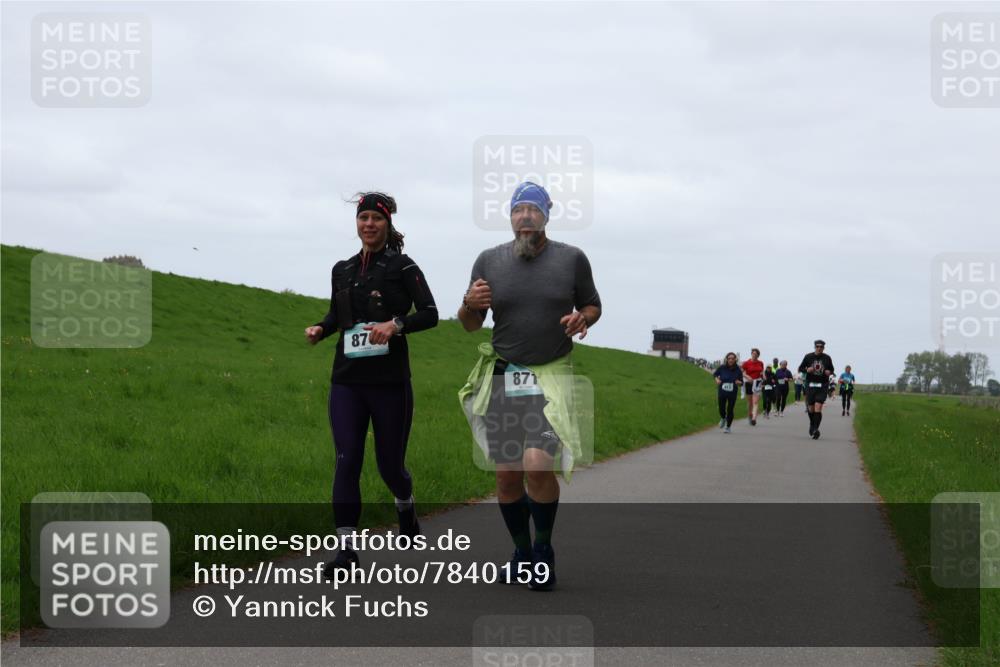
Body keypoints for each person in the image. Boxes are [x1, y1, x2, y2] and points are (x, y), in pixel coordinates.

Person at [458, 182, 601, 592]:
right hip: (504, 378)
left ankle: (543, 552)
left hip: (549, 379)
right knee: (506, 478)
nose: (525, 217)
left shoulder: (572, 259)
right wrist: (470, 303)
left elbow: (593, 303)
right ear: (510, 216)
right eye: (518, 210)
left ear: (546, 215)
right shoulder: (489, 260)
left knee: (538, 465)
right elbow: (469, 324)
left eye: (532, 210)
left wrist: (583, 318)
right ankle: (520, 554)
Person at [305, 192, 439, 575]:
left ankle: (406, 507)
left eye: (376, 219)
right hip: (347, 379)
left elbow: (430, 313)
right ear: (357, 224)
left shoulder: (403, 266)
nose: (369, 224)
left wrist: (395, 325)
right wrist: (321, 328)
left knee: (389, 466)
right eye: (363, 218)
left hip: (389, 382)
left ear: (387, 224)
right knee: (347, 459)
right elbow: (337, 314)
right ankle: (346, 552)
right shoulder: (342, 269)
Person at [797, 340, 835, 440]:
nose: (819, 348)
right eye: (817, 346)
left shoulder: (827, 358)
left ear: (823, 348)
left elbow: (832, 370)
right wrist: (806, 370)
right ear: (814, 347)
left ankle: (815, 429)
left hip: (823, 385)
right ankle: (812, 424)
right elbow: (800, 368)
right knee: (811, 408)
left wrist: (829, 372)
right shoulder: (808, 356)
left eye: (821, 347)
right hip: (810, 384)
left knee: (818, 406)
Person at [713, 353, 743, 433]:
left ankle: (728, 427)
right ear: (727, 359)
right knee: (721, 408)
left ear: (735, 360)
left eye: (732, 358)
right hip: (722, 391)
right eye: (729, 358)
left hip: (732, 393)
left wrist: (739, 382)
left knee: (730, 409)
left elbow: (741, 382)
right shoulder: (722, 367)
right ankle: (723, 418)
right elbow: (715, 374)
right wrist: (717, 380)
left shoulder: (738, 370)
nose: (731, 360)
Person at [741, 348, 764, 426]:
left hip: (757, 383)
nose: (754, 355)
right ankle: (750, 416)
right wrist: (747, 377)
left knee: (755, 402)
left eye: (756, 354)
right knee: (750, 402)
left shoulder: (760, 363)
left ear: (758, 355)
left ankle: (754, 418)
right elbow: (742, 372)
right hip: (749, 383)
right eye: (753, 353)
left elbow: (761, 372)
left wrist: (764, 377)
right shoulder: (746, 363)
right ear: (751, 354)